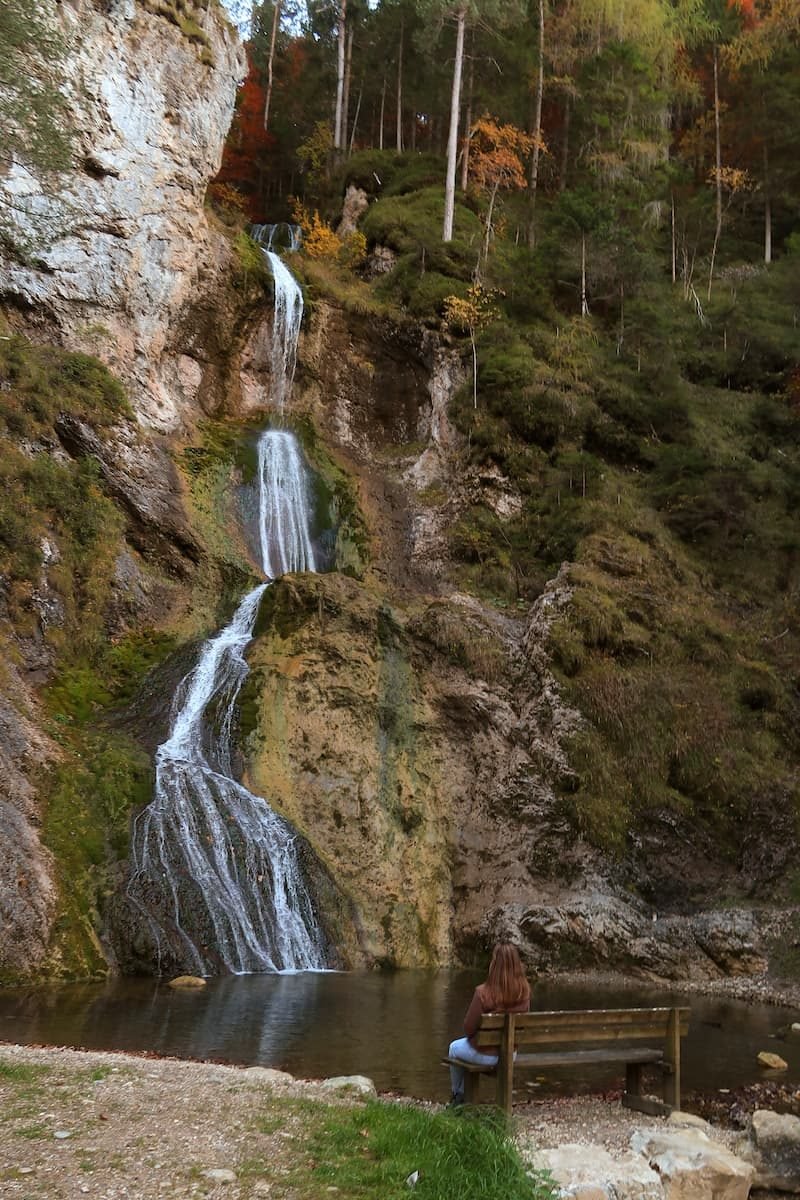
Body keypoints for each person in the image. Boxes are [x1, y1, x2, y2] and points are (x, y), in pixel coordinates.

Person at [447, 942, 531, 1106]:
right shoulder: (525, 992)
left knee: (454, 1048)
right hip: (510, 1055)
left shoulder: (483, 993)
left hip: (486, 1056)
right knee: (462, 1049)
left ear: (494, 964)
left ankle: (458, 1096)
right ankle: (461, 1097)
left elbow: (468, 1028)